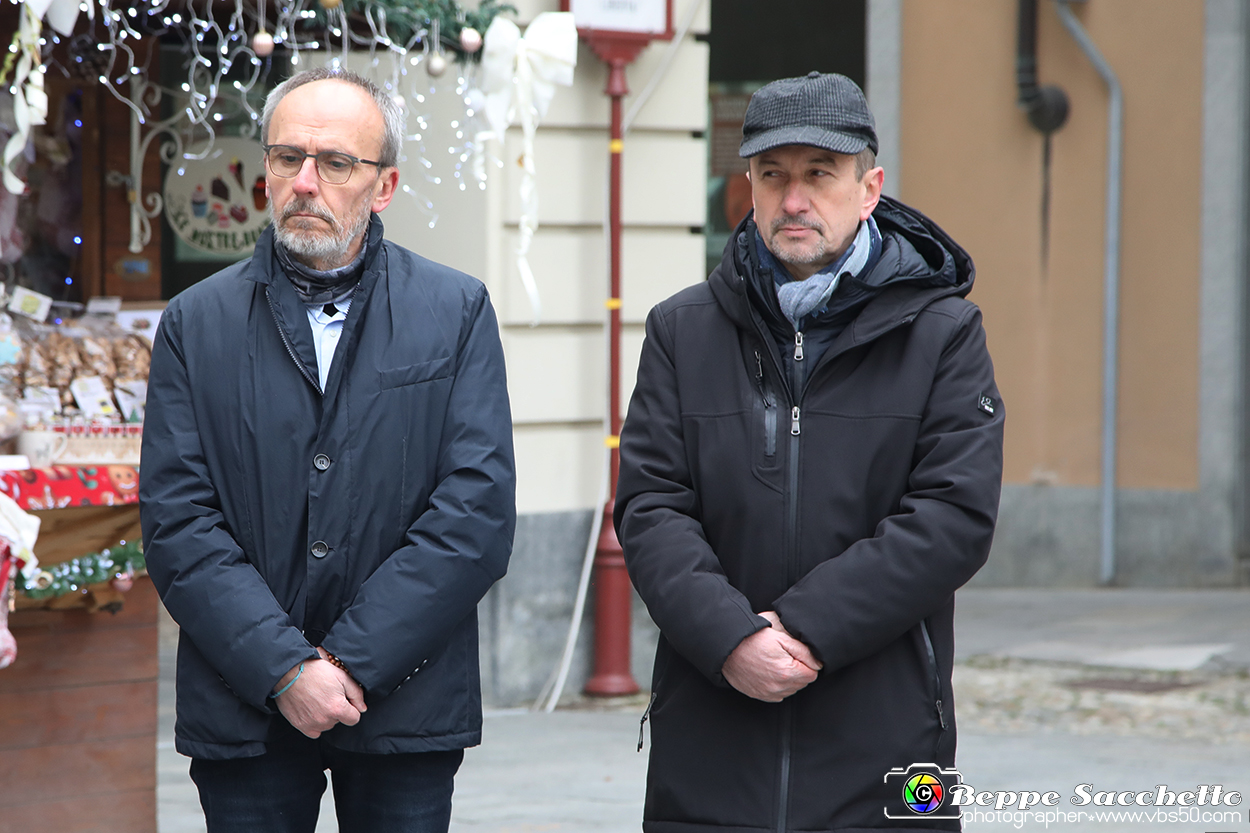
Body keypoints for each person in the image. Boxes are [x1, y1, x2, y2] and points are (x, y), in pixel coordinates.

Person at [615, 72, 1004, 831]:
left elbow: (953, 516)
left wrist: (803, 628)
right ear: (749, 189)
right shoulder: (681, 331)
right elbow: (651, 504)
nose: (794, 200)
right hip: (710, 740)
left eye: (819, 174)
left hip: (887, 739)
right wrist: (731, 639)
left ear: (869, 187)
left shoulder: (944, 335)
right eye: (772, 175)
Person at [140, 67, 516, 833]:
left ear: (383, 187)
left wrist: (346, 664)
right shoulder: (194, 323)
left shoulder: (455, 310)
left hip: (403, 697)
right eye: (288, 158)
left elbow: (473, 514)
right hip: (244, 704)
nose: (305, 182)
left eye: (335, 163)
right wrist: (282, 668)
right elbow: (179, 520)